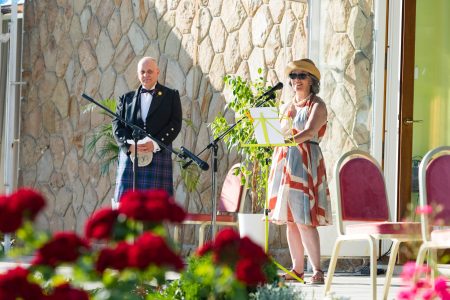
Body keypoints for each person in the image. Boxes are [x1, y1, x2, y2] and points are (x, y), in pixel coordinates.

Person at [267, 58, 332, 284]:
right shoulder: (287, 106)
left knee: (305, 219)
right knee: (291, 220)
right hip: (285, 162)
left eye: (302, 76)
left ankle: (318, 271)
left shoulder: (317, 105)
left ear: (312, 80)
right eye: (293, 76)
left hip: (305, 162)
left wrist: (285, 139)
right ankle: (297, 269)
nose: (297, 80)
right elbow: (275, 134)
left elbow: (309, 131)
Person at [112, 56, 182, 202]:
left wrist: (155, 144)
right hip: (131, 156)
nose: (146, 75)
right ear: (138, 74)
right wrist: (129, 146)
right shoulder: (126, 99)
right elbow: (117, 125)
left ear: (158, 72)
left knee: (155, 208)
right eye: (142, 72)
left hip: (158, 154)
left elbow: (175, 124)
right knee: (127, 207)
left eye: (149, 71)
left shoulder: (171, 96)